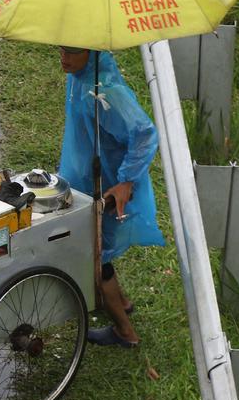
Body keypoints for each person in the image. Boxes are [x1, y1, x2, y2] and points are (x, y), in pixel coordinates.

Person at [57, 46, 163, 347]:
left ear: (91, 53)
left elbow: (144, 133)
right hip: (89, 179)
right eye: (61, 50)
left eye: (73, 52)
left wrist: (127, 181)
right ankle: (121, 301)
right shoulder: (81, 76)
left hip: (109, 186)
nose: (64, 58)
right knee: (95, 248)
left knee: (94, 257)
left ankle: (124, 331)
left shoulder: (106, 91)